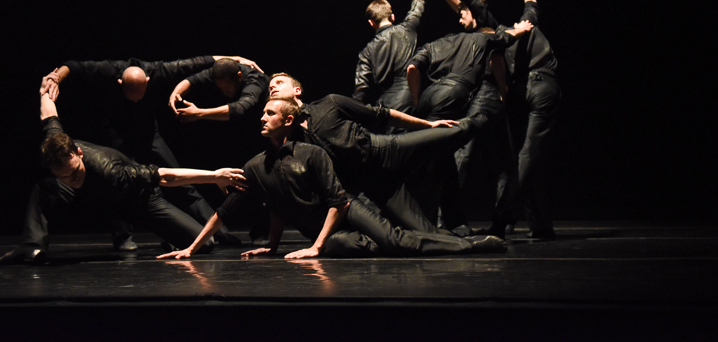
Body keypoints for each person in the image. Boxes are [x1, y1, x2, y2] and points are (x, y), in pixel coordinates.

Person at [155, 97, 505, 260]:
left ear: (292, 111)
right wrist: (190, 248)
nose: (261, 116)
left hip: (369, 177)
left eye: (270, 110)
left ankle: (485, 114)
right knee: (382, 245)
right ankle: (430, 242)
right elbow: (232, 210)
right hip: (349, 207)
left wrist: (315, 246)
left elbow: (379, 116)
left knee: (398, 240)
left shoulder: (321, 130)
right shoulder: (261, 163)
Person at [0, 91, 247, 265]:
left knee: (205, 245)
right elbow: (49, 115)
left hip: (138, 203)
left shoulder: (112, 170)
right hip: (95, 199)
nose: (70, 179)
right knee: (44, 188)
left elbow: (167, 176)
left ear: (79, 152)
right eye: (63, 176)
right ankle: (31, 246)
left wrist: (215, 175)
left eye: (74, 172)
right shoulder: (55, 145)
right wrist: (46, 89)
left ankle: (169, 236)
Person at [38, 54, 258, 246]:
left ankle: (218, 230)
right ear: (119, 82)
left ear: (149, 82)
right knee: (115, 184)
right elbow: (74, 66)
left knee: (184, 183)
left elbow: (197, 62)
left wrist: (235, 59)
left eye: (140, 93)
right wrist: (55, 78)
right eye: (129, 93)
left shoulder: (158, 71)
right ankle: (123, 238)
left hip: (148, 134)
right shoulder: (108, 70)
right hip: (116, 134)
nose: (135, 98)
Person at [267, 73, 482, 235]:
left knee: (458, 130)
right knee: (425, 234)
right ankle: (470, 246)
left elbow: (382, 114)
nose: (272, 88)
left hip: (387, 150)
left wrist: (427, 125)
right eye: (269, 87)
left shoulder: (330, 103)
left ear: (297, 91)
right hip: (376, 184)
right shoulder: (292, 140)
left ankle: (488, 116)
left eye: (278, 83)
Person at [405, 20, 534, 232]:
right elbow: (506, 39)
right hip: (452, 95)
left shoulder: (434, 44)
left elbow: (412, 69)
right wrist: (522, 28)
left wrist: (418, 101)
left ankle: (455, 223)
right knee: (427, 161)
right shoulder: (481, 38)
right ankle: (438, 221)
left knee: (442, 162)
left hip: (429, 95)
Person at [488, 0, 561, 240]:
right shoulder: (529, 25)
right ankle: (504, 219)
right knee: (528, 157)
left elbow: (496, 60)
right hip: (542, 86)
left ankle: (539, 223)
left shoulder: (501, 37)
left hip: (518, 91)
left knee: (526, 158)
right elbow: (531, 1)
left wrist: (503, 89)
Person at [353, 0, 425, 119]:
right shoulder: (407, 29)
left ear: (371, 23)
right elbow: (418, 2)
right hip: (413, 97)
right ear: (392, 17)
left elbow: (360, 90)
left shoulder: (366, 52)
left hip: (386, 106)